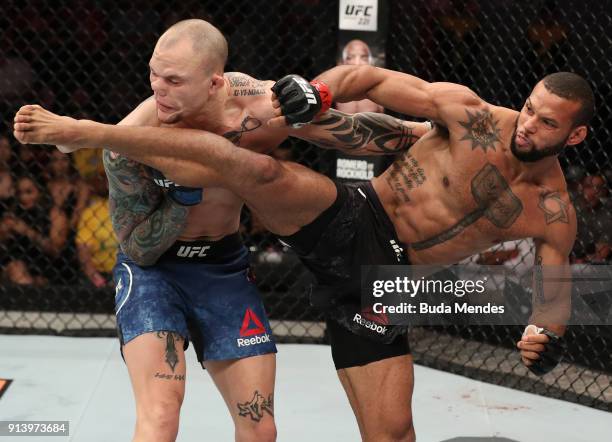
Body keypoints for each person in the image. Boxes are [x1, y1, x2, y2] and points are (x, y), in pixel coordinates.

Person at [14, 67, 591, 439]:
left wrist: (548, 339)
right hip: (354, 217)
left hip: (387, 286)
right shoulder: (474, 116)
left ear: (575, 136)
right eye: (531, 107)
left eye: (548, 123)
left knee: (392, 433)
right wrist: (317, 93)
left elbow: (554, 290)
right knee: (255, 159)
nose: (529, 124)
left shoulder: (554, 209)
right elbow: (367, 75)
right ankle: (94, 131)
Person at [13, 20, 429, 442]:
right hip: (155, 275)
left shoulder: (257, 110)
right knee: (160, 419)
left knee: (260, 427)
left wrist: (427, 134)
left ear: (213, 83)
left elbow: (352, 135)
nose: (159, 88)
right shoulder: (134, 138)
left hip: (223, 268)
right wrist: (182, 197)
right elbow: (135, 245)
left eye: (174, 80)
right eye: (154, 74)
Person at [336, 40, 383, 114]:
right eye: (350, 57)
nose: (357, 62)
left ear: (370, 62)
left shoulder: (379, 89)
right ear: (343, 62)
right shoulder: (335, 89)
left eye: (363, 57)